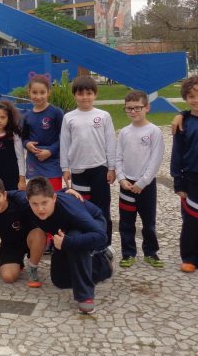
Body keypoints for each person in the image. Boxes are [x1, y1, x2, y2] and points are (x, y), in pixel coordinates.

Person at [26, 176, 113, 315]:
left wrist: (67, 242)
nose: (40, 208)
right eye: (34, 204)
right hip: (65, 231)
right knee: (60, 281)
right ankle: (100, 264)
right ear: (28, 201)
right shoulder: (29, 203)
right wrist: (65, 190)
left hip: (93, 224)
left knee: (75, 240)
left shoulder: (73, 211)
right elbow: (9, 195)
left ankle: (85, 297)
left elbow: (102, 236)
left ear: (53, 198)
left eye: (44, 203)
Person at [60, 75, 116, 244]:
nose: (85, 97)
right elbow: (64, 143)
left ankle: (105, 244)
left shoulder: (104, 116)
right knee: (82, 207)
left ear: (95, 94)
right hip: (78, 170)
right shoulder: (69, 117)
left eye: (89, 93)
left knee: (102, 208)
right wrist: (65, 167)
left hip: (100, 168)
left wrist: (112, 167)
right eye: (80, 93)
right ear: (74, 95)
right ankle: (87, 242)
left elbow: (110, 142)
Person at [116, 90, 165, 268]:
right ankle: (128, 253)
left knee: (148, 222)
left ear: (147, 108)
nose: (133, 111)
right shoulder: (124, 132)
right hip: (127, 185)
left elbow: (155, 160)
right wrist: (121, 179)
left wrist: (143, 182)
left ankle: (151, 252)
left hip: (146, 186)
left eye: (137, 108)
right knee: (126, 222)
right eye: (129, 108)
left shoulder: (154, 131)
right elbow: (118, 158)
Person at [0, 176, 46, 287]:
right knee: (8, 277)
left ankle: (32, 268)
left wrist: (67, 191)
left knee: (39, 233)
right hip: (10, 245)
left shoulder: (20, 200)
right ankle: (18, 262)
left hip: (30, 238)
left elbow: (45, 199)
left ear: (5, 195)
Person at [170, 76, 198, 272]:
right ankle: (190, 257)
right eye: (191, 96)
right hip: (191, 178)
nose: (195, 100)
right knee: (191, 220)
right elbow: (177, 153)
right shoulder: (183, 122)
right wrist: (178, 181)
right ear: (185, 98)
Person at [21, 75, 64, 190]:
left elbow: (64, 138)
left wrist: (50, 151)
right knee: (37, 195)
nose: (38, 96)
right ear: (29, 92)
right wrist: (27, 144)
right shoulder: (26, 116)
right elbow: (23, 138)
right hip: (34, 163)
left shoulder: (56, 112)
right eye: (34, 92)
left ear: (49, 92)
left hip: (52, 162)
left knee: (54, 195)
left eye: (42, 92)